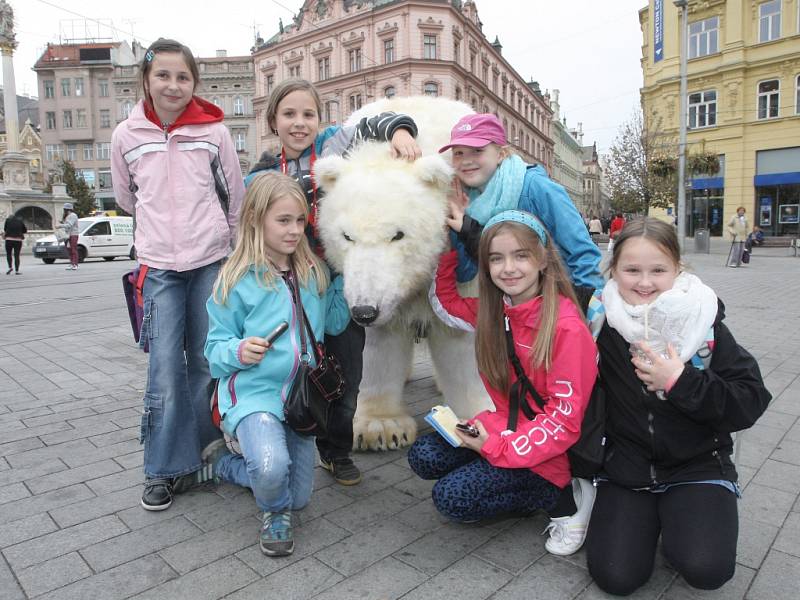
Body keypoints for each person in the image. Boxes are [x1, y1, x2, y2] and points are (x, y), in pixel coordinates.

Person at [246, 78, 422, 486]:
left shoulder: (333, 146)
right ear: (273, 120)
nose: (299, 123)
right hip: (288, 291)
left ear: (319, 119)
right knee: (294, 367)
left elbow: (377, 122)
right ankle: (285, 440)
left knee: (347, 371)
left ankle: (336, 450)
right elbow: (249, 234)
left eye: (308, 114)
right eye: (288, 114)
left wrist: (399, 130)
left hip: (339, 285)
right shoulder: (261, 175)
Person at [585, 217, 771, 596]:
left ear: (678, 270)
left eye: (658, 270)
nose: (644, 282)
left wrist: (680, 382)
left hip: (697, 465)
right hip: (627, 468)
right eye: (631, 270)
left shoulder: (702, 320)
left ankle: (682, 522)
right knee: (616, 577)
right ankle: (651, 519)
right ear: (613, 269)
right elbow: (529, 279)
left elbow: (751, 399)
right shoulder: (601, 319)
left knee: (706, 569)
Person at [110, 38, 245, 511]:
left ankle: (207, 456)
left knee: (209, 362)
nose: (173, 85)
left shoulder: (215, 133)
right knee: (165, 370)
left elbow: (235, 197)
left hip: (209, 262)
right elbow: (127, 198)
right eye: (163, 75)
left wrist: (224, 249)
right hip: (159, 267)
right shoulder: (126, 135)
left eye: (182, 77)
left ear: (194, 84)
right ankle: (164, 469)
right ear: (145, 80)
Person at [418, 210, 597, 553]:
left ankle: (564, 500)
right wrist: (443, 245)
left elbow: (563, 421)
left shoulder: (566, 328)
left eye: (521, 256)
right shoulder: (494, 312)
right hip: (506, 432)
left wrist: (492, 448)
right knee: (425, 455)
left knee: (451, 498)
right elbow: (445, 304)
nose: (508, 268)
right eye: (496, 259)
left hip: (553, 454)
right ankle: (506, 479)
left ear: (543, 259)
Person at [202, 172, 350, 557]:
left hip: (303, 399)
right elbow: (213, 350)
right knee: (271, 471)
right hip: (255, 396)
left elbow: (333, 324)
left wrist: (343, 278)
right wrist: (238, 351)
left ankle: (228, 465)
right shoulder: (233, 281)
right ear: (256, 220)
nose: (294, 231)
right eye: (283, 221)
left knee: (299, 497)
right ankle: (271, 511)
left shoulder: (312, 271)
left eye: (300, 221)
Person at [440, 113, 603, 310]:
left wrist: (586, 313)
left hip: (556, 311)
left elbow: (583, 254)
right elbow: (466, 273)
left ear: (500, 154)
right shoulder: (469, 201)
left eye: (477, 150)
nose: (466, 161)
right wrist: (462, 225)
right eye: (458, 153)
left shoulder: (535, 187)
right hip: (513, 315)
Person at [55, 203, 79, 270]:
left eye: (64, 209)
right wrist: (62, 223)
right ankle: (71, 263)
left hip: (73, 234)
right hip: (67, 235)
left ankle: (75, 264)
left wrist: (60, 225)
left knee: (73, 249)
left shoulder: (73, 215)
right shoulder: (67, 216)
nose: (64, 210)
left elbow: (69, 225)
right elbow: (67, 225)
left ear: (67, 209)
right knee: (69, 250)